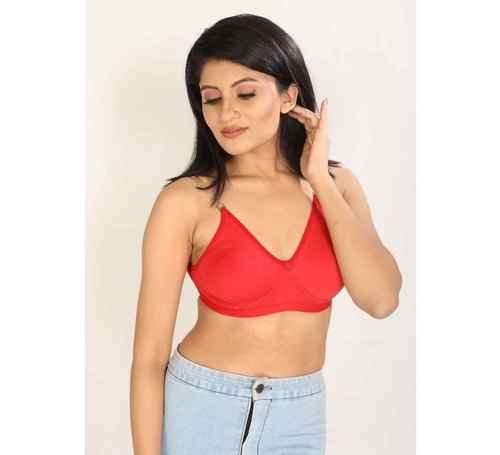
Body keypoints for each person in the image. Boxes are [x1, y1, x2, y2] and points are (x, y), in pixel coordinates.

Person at [130, 13, 403, 455]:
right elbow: (148, 358)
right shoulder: (186, 201)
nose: (227, 113)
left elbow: (382, 300)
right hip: (203, 408)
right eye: (211, 99)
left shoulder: (338, 186)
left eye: (246, 93)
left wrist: (319, 178)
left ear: (288, 96)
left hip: (299, 415)